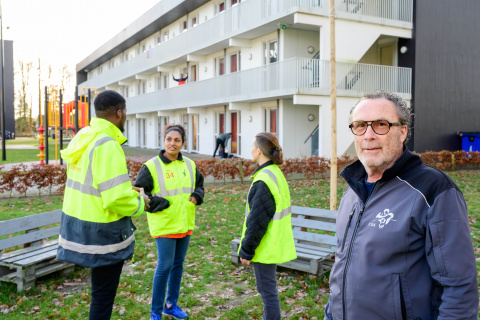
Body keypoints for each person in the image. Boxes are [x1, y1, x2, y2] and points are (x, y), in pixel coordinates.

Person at [324, 91, 479, 320]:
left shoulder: (433, 190)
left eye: (381, 125)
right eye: (359, 126)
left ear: (403, 131)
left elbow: (458, 288)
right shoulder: (352, 190)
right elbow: (342, 269)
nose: (368, 135)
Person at [57, 90, 150, 320]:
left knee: (99, 292)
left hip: (79, 225)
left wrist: (125, 191)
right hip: (102, 233)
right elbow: (115, 199)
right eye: (125, 112)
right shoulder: (108, 145)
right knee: (102, 296)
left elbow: (94, 184)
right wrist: (142, 202)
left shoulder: (84, 136)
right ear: (119, 113)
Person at [134, 124, 204, 320]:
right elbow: (138, 193)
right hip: (164, 224)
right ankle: (156, 311)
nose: (172, 143)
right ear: (163, 141)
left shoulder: (190, 164)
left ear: (183, 143)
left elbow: (199, 185)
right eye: (169, 139)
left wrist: (198, 196)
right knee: (164, 266)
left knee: (178, 265)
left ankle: (171, 305)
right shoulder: (151, 166)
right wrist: (156, 202)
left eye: (177, 140)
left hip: (185, 222)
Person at [238, 132, 297, 320]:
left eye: (252, 146)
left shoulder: (264, 179)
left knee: (268, 292)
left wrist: (246, 251)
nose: (250, 150)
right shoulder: (275, 173)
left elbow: (257, 221)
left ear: (258, 151)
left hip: (265, 246)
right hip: (274, 242)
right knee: (269, 291)